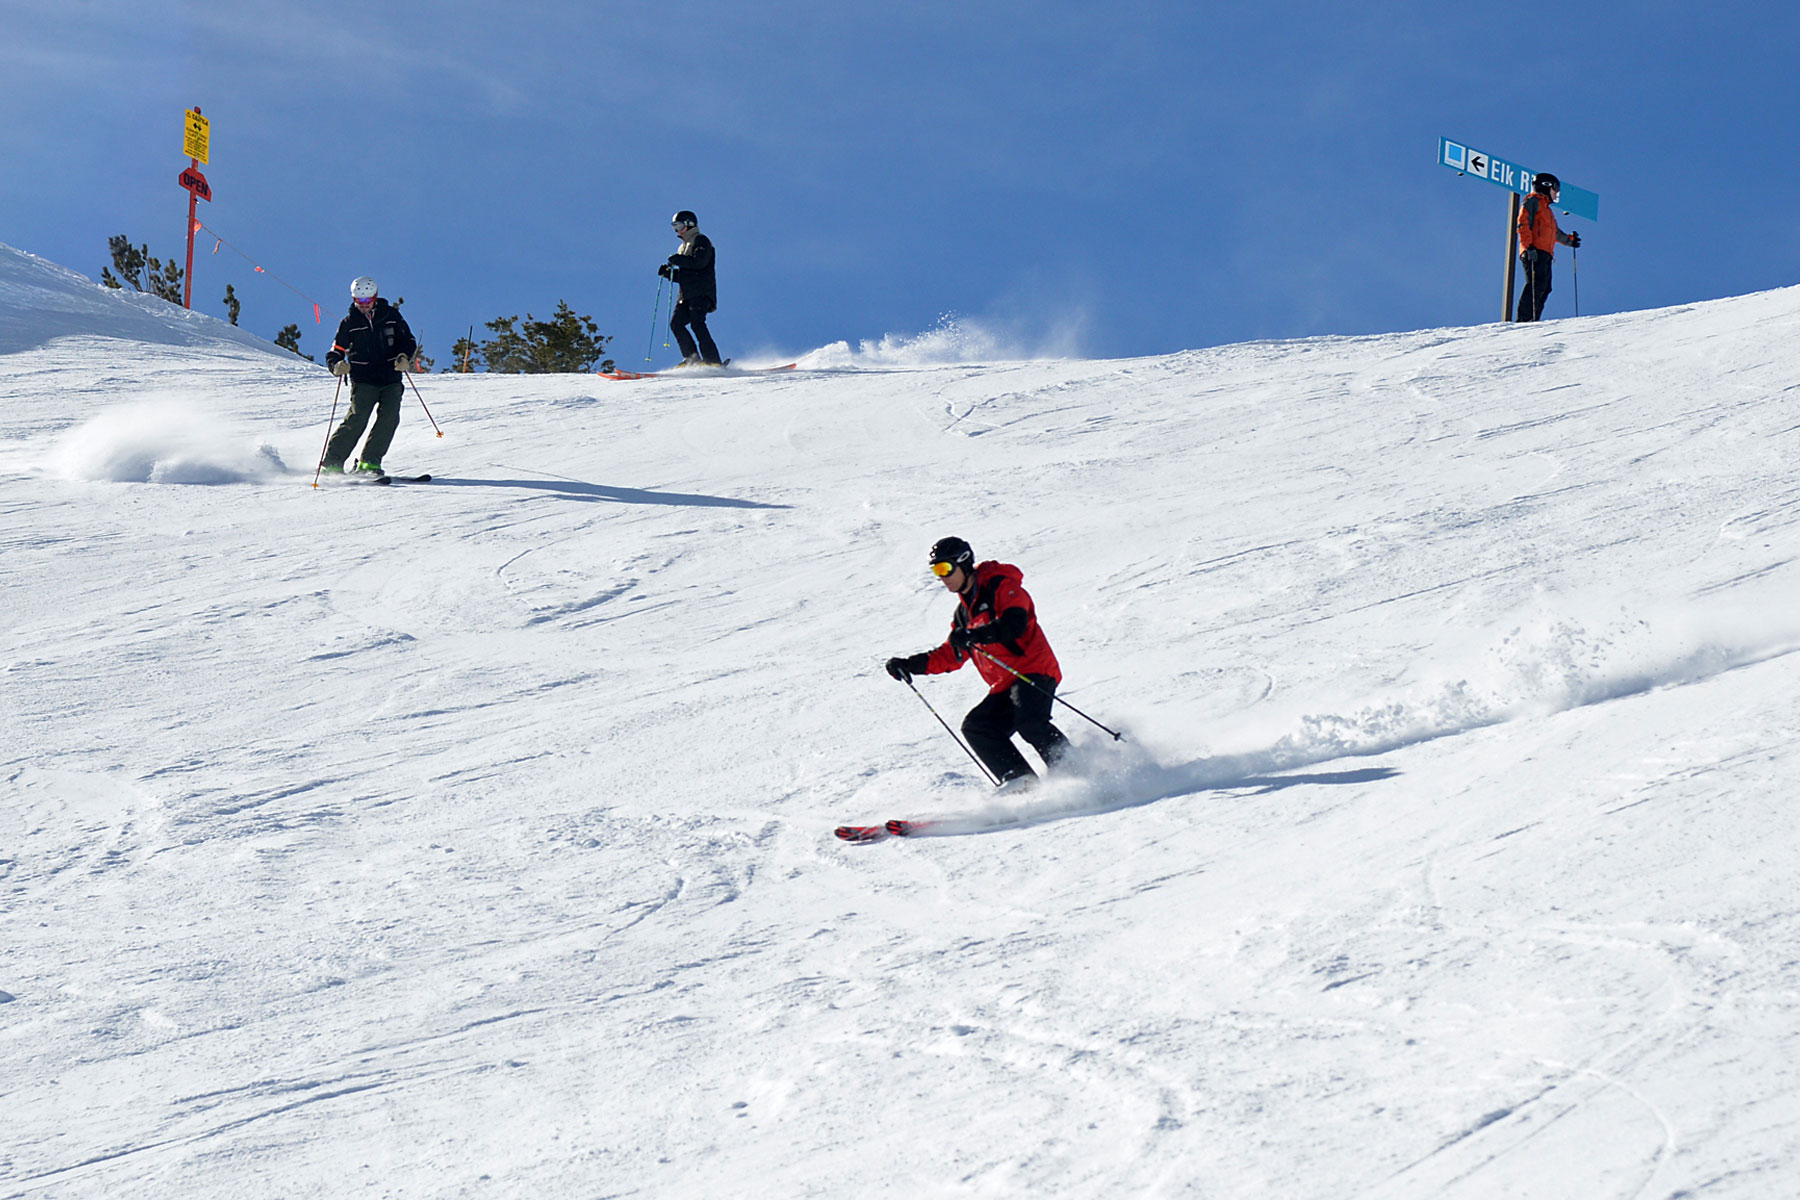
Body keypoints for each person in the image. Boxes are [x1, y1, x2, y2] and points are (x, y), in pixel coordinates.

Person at [885, 536, 1071, 787]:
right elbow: (952, 654)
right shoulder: (963, 614)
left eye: (945, 568)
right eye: (936, 570)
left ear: (963, 563)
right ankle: (1020, 782)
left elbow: (1014, 624)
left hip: (1033, 670)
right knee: (977, 726)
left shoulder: (1001, 587)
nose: (942, 577)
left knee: (1029, 719)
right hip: (1005, 683)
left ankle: (1075, 769)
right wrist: (909, 665)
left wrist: (975, 635)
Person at [321, 276, 418, 473]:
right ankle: (332, 462)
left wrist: (403, 356)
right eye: (359, 302)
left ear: (375, 297)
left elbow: (408, 340)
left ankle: (370, 462)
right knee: (358, 417)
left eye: (367, 301)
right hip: (364, 378)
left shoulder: (391, 316)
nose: (363, 306)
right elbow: (335, 351)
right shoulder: (349, 322)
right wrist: (336, 365)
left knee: (390, 417)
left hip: (390, 377)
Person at [657, 210, 722, 366]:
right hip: (686, 295)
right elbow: (687, 274)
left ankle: (713, 361)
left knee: (697, 323)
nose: (677, 230)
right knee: (676, 324)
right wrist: (669, 274)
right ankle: (692, 359)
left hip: (701, 292)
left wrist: (678, 260)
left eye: (679, 226)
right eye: (675, 227)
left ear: (689, 224)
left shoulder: (701, 241)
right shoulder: (683, 246)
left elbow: (698, 263)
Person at [1515, 172, 1581, 323]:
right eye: (1555, 188)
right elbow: (1523, 223)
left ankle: (1533, 318)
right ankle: (1524, 319)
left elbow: (1554, 233)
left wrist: (1570, 240)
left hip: (1545, 253)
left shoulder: (1547, 209)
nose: (1556, 193)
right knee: (1536, 284)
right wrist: (1528, 246)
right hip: (1534, 251)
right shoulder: (1532, 201)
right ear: (1545, 186)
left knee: (1545, 287)